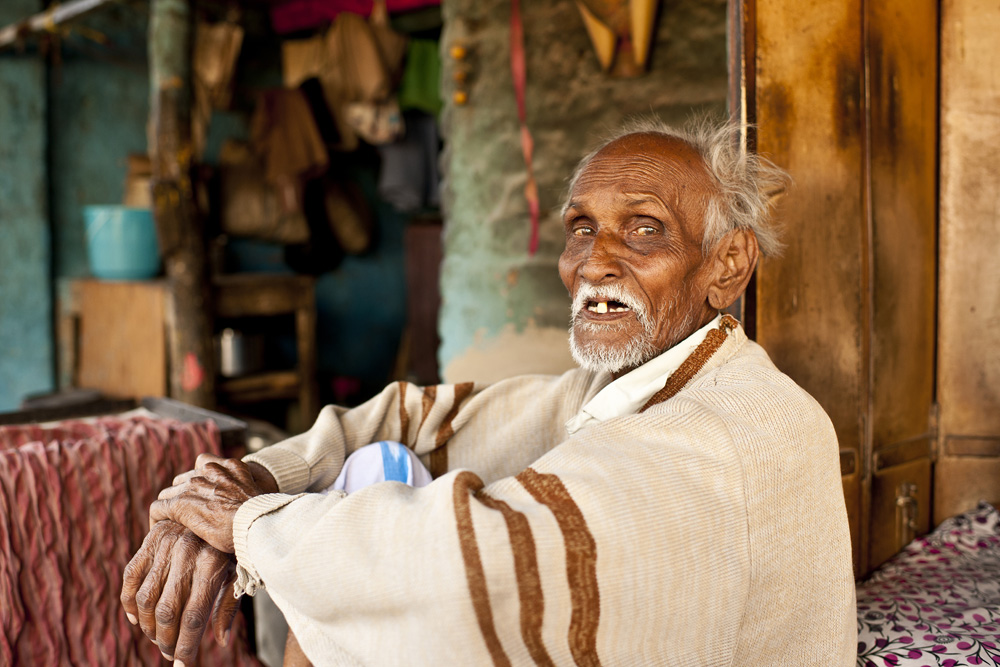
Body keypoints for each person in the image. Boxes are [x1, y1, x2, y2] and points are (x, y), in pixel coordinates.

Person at [121, 117, 857, 666]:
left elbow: (463, 568)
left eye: (643, 230)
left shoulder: (725, 427)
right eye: (581, 229)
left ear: (727, 265)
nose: (593, 261)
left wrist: (250, 524)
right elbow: (421, 417)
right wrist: (249, 478)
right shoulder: (638, 380)